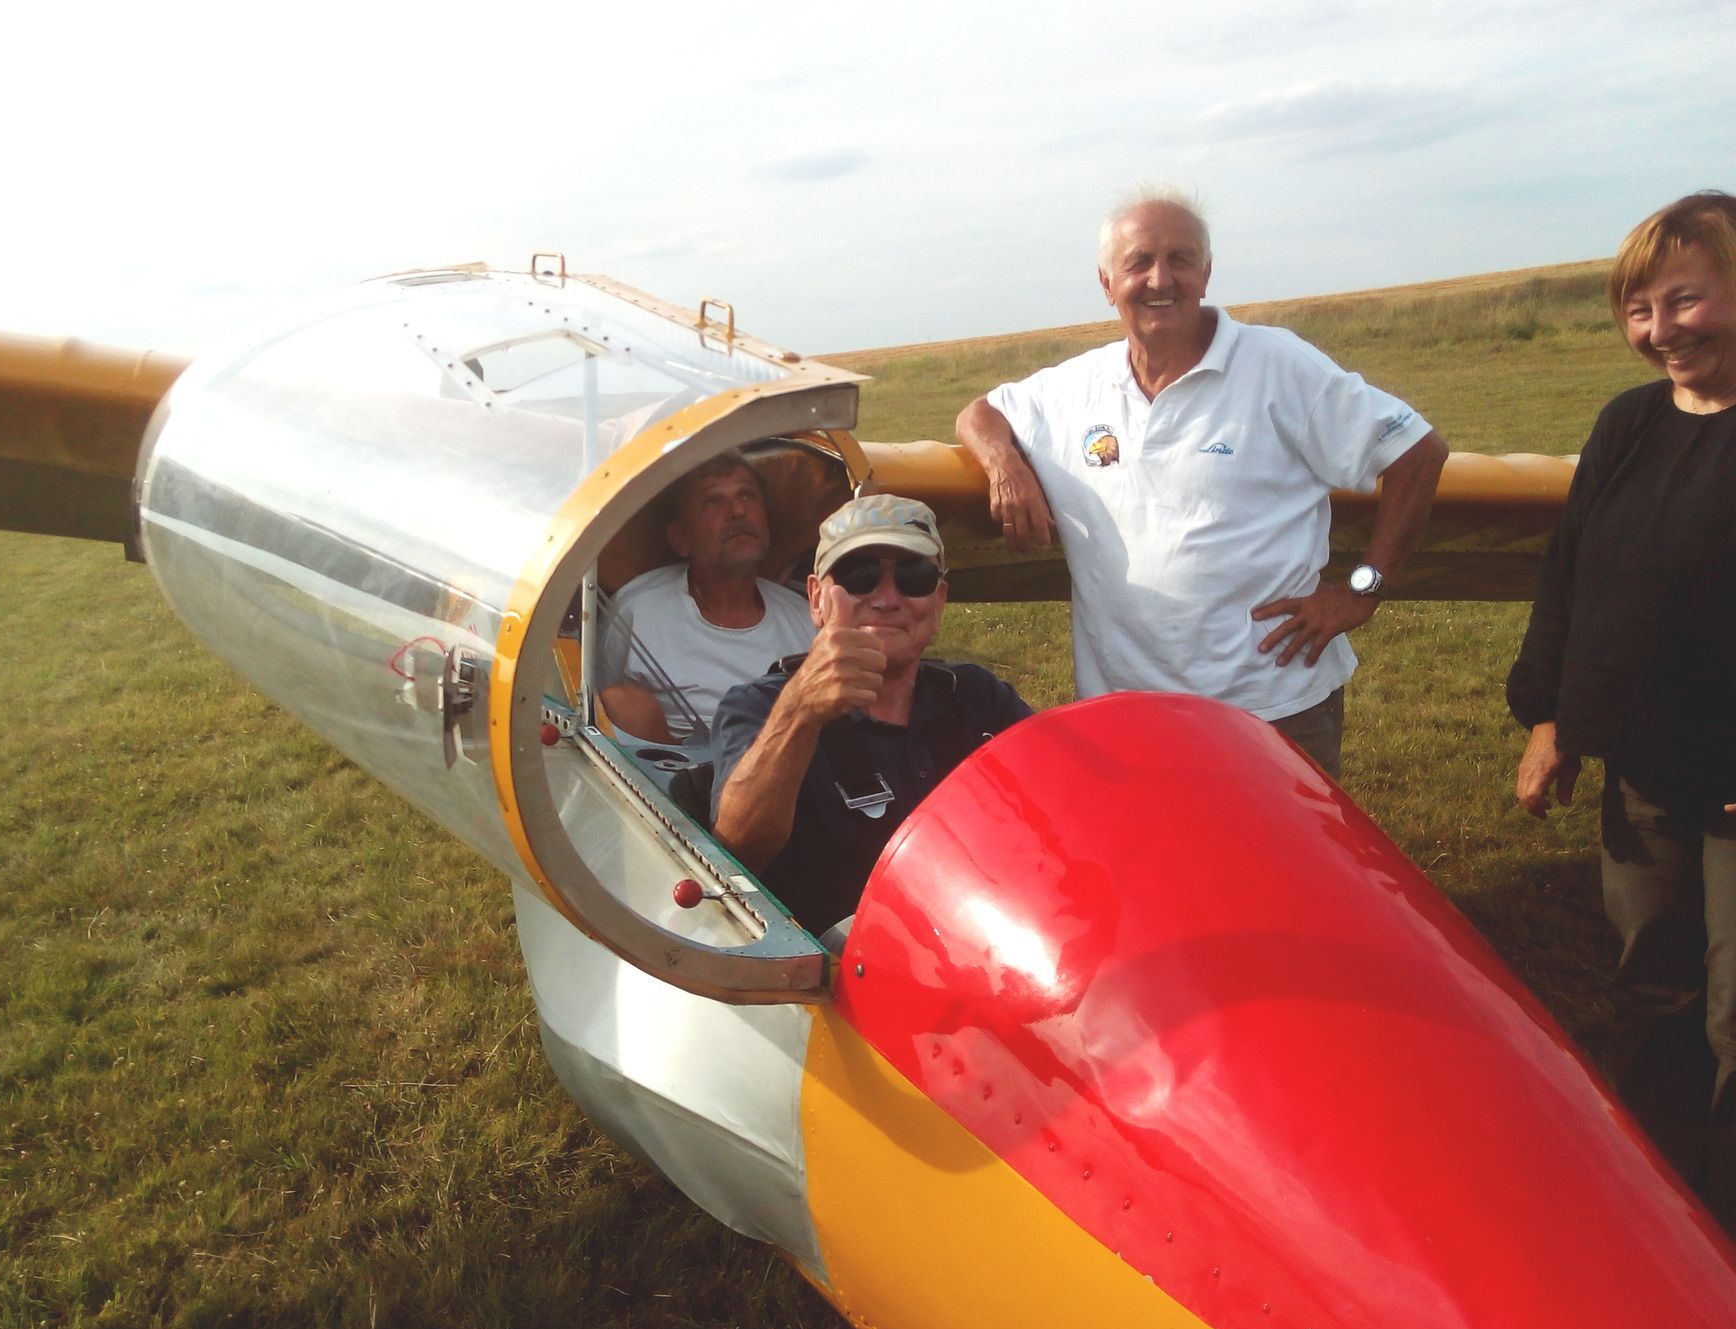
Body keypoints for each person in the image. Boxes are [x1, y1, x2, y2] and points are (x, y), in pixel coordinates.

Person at [955, 184, 1448, 778]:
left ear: (1207, 274)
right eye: (1138, 262)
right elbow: (980, 415)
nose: (1161, 279)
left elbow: (1417, 451)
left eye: (1181, 259)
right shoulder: (1073, 388)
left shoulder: (1278, 365)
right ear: (1107, 284)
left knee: (1280, 869)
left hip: (1273, 708)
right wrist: (1005, 466)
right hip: (1127, 715)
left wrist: (1363, 589)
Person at [1506, 191, 1736, 1214]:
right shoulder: (1628, 425)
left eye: (1684, 301)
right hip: (1642, 774)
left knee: (1735, 1013)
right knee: (1650, 985)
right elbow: (1571, 577)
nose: (1661, 332)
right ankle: (1657, 1209)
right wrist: (1550, 719)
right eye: (1639, 312)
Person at [710, 495, 1031, 934]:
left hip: (991, 949)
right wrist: (801, 711)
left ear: (938, 603)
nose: (887, 598)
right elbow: (736, 851)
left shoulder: (977, 697)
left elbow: (1061, 800)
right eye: (859, 576)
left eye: (913, 577)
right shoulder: (759, 707)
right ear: (816, 599)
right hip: (836, 983)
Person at [597, 452, 816, 742]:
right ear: (680, 538)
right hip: (670, 777)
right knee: (623, 702)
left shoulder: (803, 616)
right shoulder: (637, 610)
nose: (738, 511)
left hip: (791, 762)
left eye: (747, 495)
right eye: (713, 501)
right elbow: (595, 702)